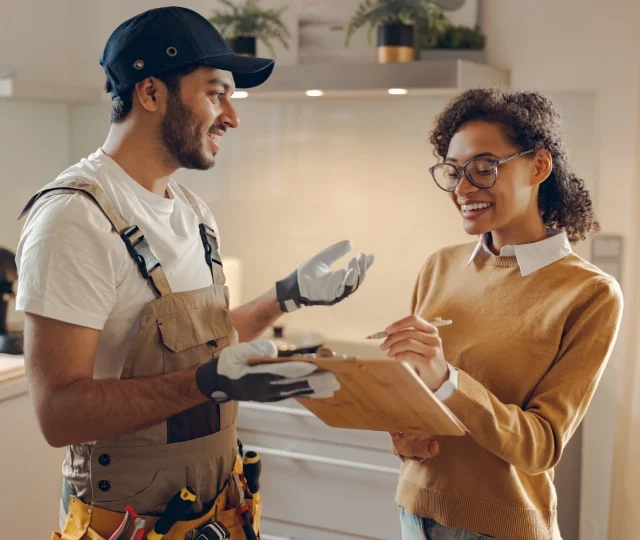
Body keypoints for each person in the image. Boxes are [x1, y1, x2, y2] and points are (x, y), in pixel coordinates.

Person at [15, 7, 374, 540]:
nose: (231, 115)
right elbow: (59, 413)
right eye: (215, 92)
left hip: (217, 509)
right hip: (126, 523)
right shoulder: (74, 218)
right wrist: (210, 382)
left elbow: (201, 341)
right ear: (152, 93)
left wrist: (286, 297)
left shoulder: (190, 210)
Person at [382, 89, 623, 540]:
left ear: (539, 166)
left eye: (484, 168)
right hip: (413, 513)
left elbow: (541, 446)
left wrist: (446, 379)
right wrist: (404, 434)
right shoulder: (439, 266)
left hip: (499, 529)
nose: (463, 188)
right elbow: (419, 400)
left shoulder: (588, 293)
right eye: (453, 172)